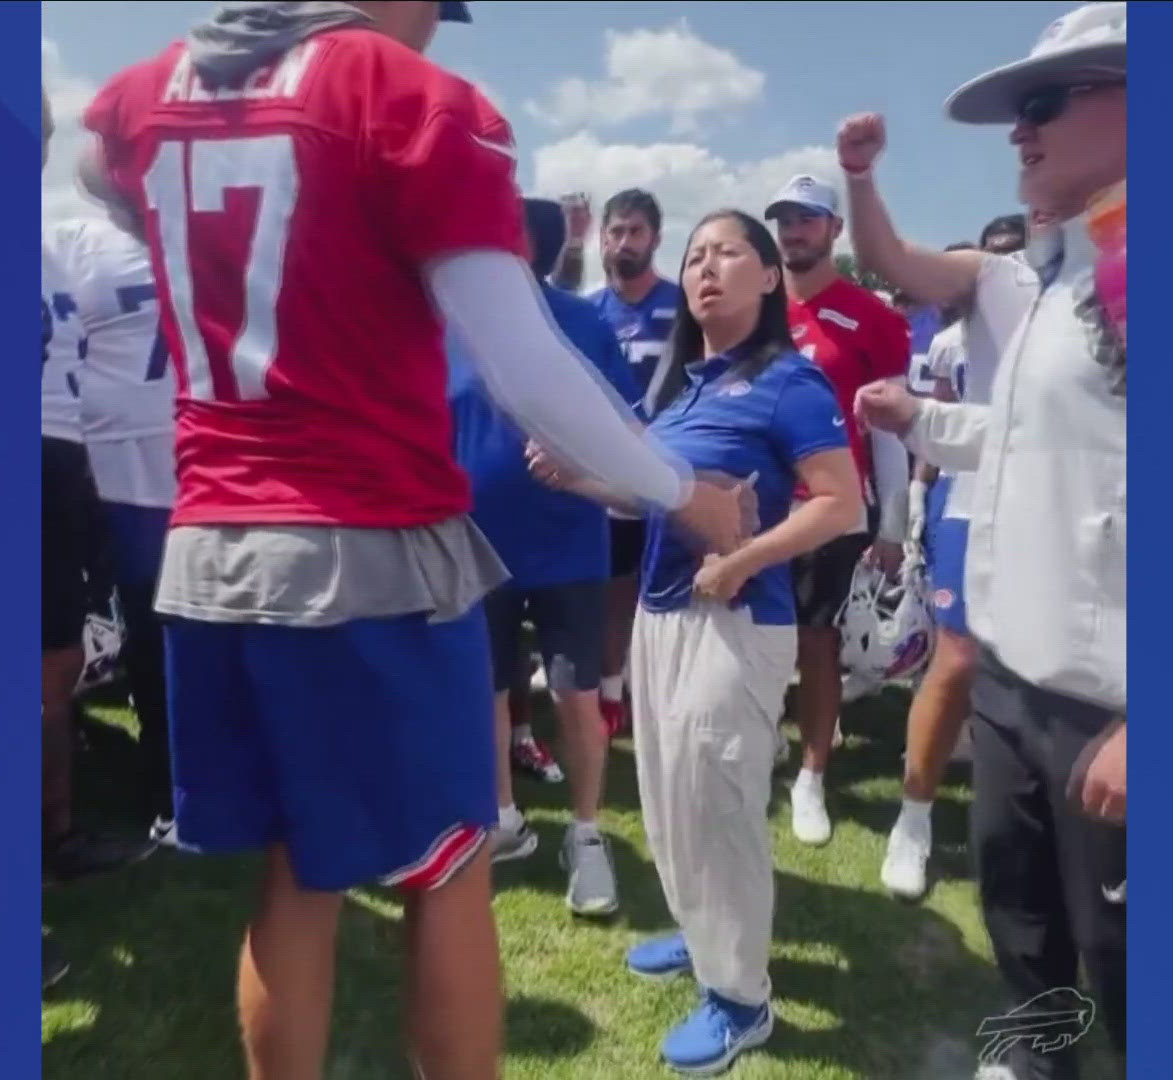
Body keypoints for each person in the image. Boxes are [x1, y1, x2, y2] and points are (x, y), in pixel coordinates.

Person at [79, 3, 743, 1077]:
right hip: (363, 543)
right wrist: (682, 491)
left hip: (212, 541)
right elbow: (525, 364)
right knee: (450, 865)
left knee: (300, 867)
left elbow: (100, 159)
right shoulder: (402, 98)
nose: (436, 27)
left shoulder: (152, 88)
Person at [843, 4, 1128, 1077]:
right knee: (1023, 927)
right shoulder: (1063, 271)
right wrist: (927, 422)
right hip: (1013, 685)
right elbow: (1045, 439)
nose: (1019, 130)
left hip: (1109, 709)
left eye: (1044, 103)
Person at [532, 210, 861, 1075]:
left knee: (719, 811)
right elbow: (658, 496)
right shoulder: (689, 387)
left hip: (737, 623)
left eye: (729, 253)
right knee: (671, 792)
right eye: (697, 255)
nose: (707, 267)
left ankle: (741, 1001)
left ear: (766, 279)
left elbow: (841, 503)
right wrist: (581, 478)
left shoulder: (791, 381)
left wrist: (743, 558)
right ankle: (700, 932)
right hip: (663, 616)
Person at [450, 197, 636, 916]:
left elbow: (625, 424)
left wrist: (580, 460)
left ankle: (586, 836)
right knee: (489, 691)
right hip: (474, 545)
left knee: (575, 696)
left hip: (569, 548)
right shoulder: (452, 320)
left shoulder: (585, 323)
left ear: (535, 248)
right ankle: (503, 819)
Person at [878, 226, 1034, 903]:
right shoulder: (994, 288)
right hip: (972, 499)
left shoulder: (1096, 280)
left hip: (1065, 503)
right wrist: (915, 495)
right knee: (960, 658)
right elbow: (938, 421)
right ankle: (913, 818)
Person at [762, 173, 912, 847]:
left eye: (808, 218)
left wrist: (892, 526)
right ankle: (763, 742)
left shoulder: (873, 317)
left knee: (817, 643)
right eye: (785, 219)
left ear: (833, 229)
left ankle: (812, 776)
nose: (794, 230)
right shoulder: (753, 302)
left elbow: (887, 430)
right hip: (755, 508)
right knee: (754, 637)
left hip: (833, 510)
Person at [53, 209, 181, 845]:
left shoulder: (203, 223)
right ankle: (166, 789)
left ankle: (176, 789)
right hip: (116, 470)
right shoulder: (70, 243)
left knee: (173, 639)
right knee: (142, 636)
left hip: (183, 462)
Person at [587, 188, 685, 739]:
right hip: (602, 476)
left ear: (655, 237)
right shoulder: (590, 309)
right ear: (604, 238)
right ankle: (609, 691)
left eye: (635, 232)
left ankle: (661, 695)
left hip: (669, 468)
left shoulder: (684, 305)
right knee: (612, 588)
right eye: (616, 232)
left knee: (667, 588)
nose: (625, 242)